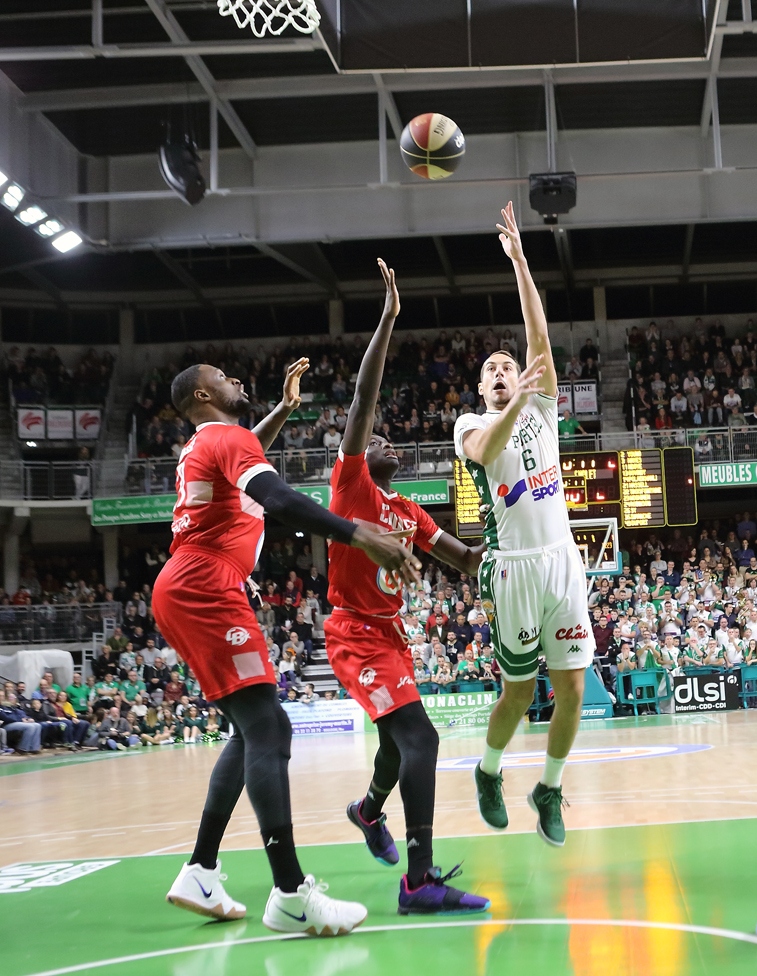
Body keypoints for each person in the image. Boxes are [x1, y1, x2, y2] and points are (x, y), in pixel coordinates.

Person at [152, 356, 421, 936]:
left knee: (250, 730)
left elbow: (244, 451)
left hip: (184, 586)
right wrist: (358, 532)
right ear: (203, 393)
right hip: (207, 586)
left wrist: (284, 409)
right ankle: (291, 892)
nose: (237, 382)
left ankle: (200, 869)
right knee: (271, 729)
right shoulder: (225, 438)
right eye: (225, 378)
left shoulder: (212, 441)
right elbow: (273, 495)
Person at [324, 259, 489, 916]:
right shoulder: (351, 484)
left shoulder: (410, 510)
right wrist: (388, 319)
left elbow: (461, 559)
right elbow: (364, 401)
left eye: (390, 438)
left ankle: (368, 811)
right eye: (375, 438)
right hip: (353, 632)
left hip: (389, 635)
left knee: (398, 743)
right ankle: (418, 880)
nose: (382, 438)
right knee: (422, 738)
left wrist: (513, 539)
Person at [454, 202, 595, 848]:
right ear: (481, 390)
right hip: (510, 569)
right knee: (517, 694)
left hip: (560, 559)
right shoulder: (470, 427)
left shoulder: (540, 407)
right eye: (490, 370)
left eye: (507, 366)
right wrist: (512, 400)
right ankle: (488, 772)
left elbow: (538, 340)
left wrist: (520, 262)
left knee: (570, 687)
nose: (500, 371)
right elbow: (486, 451)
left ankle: (550, 788)